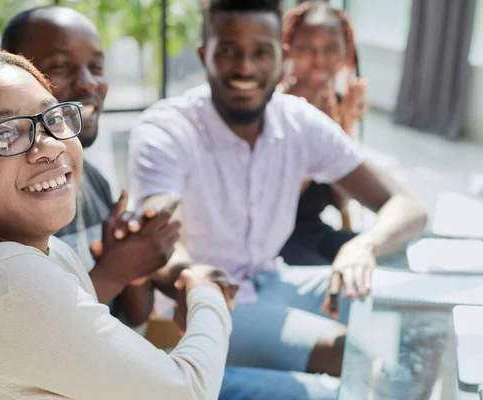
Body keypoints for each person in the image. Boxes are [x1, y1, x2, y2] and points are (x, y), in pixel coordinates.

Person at [0, 49, 235, 399]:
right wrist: (206, 292)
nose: (48, 148)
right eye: (4, 134)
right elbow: (188, 392)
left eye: (52, 117)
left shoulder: (9, 257)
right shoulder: (6, 280)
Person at [129, 0, 427, 383]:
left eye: (261, 52)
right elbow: (158, 239)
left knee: (413, 311)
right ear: (205, 55)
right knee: (354, 356)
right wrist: (190, 276)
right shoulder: (167, 129)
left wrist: (363, 246)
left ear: (281, 56)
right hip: (205, 301)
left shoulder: (298, 121)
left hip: (273, 279)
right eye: (229, 51)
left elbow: (406, 205)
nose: (246, 67)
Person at [0, 6, 166, 326]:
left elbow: (133, 319)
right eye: (60, 66)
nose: (87, 84)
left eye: (96, 66)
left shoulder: (86, 179)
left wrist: (136, 268)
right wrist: (115, 270)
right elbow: (28, 330)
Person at [278, 1, 369, 266]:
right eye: (307, 48)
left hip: (314, 231)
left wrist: (343, 133)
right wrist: (319, 139)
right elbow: (273, 208)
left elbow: (342, 199)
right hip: (273, 241)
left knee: (378, 258)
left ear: (345, 52)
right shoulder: (272, 108)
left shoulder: (339, 105)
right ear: (289, 49)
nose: (319, 59)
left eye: (331, 48)